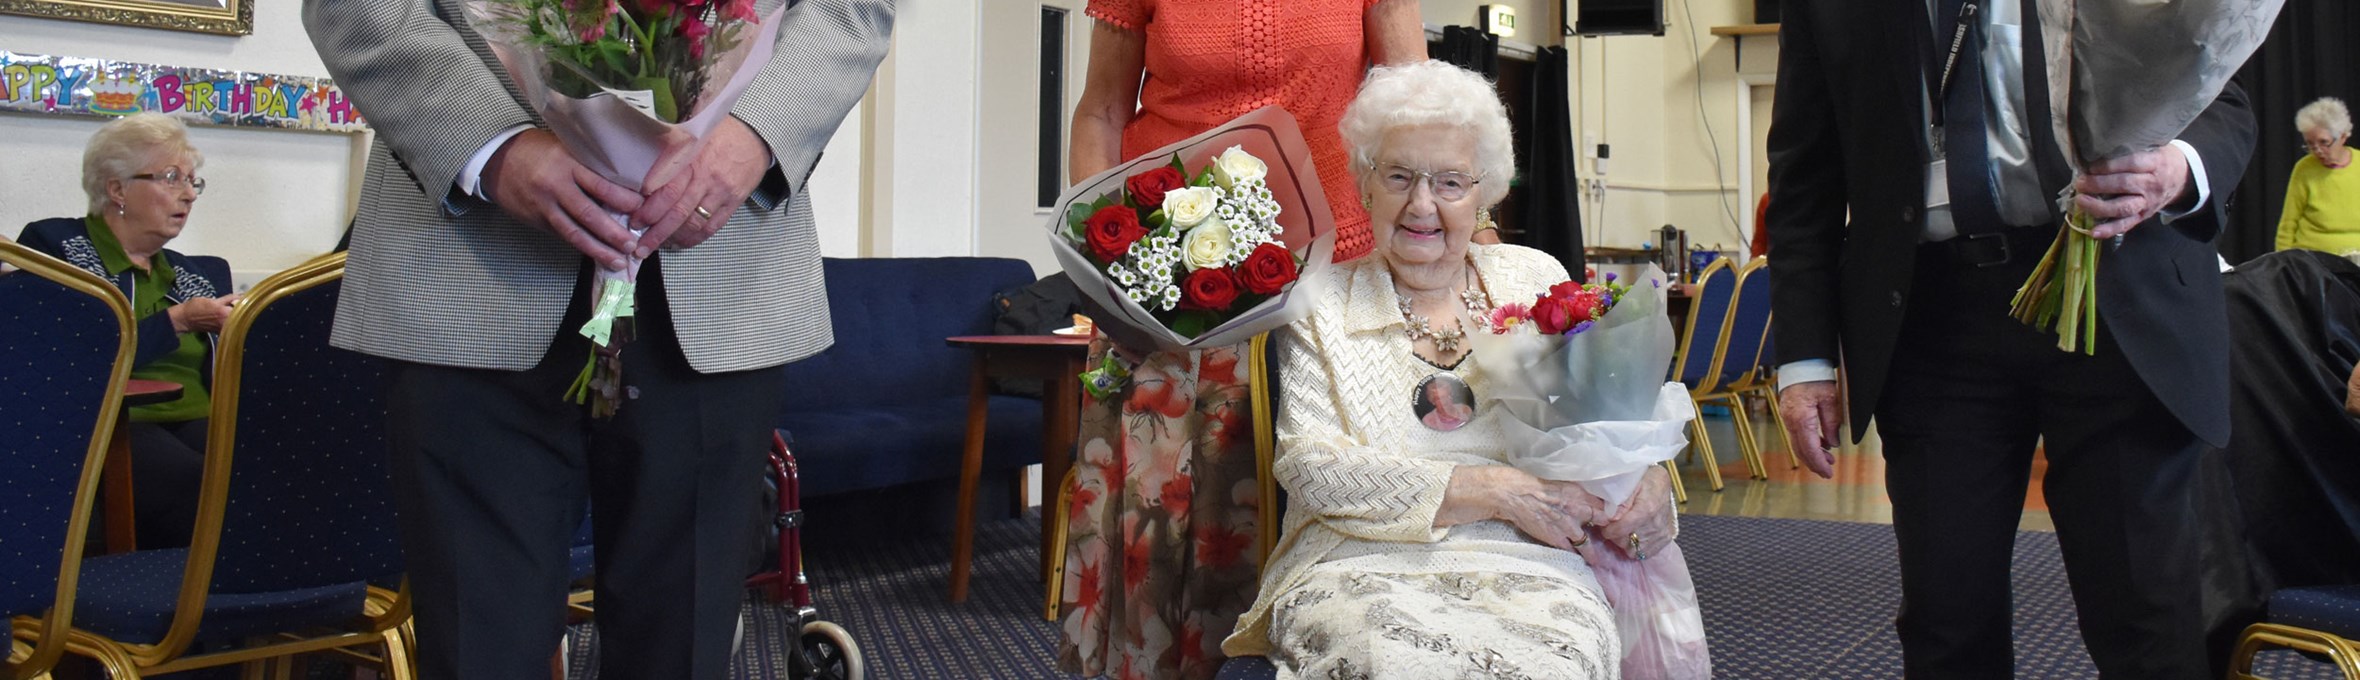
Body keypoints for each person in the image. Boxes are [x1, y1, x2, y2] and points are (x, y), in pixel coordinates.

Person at [300, 2, 892, 678]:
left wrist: (756, 136)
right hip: (463, 267)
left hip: (717, 271)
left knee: (682, 649)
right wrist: (489, 147)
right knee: (477, 649)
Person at [1765, 0, 2257, 676]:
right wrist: (1805, 358)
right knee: (1946, 620)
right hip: (1933, 322)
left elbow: (2221, 97)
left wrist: (2178, 171)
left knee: (2145, 616)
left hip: (2118, 300)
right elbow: (1803, 178)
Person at [1219, 60, 1680, 678]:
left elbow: (1610, 426)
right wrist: (1495, 491)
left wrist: (1647, 480)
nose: (1421, 205)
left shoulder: (1536, 278)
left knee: (1559, 660)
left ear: (1485, 192)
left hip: (1532, 562)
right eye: (1400, 176)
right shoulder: (1317, 302)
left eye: (1450, 183)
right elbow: (1311, 468)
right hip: (1358, 564)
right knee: (1390, 662)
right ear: (1365, 185)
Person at [1056, 2, 1424, 678]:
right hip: (1168, 292)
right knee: (1157, 530)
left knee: (1301, 512)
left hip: (1325, 285)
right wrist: (1103, 251)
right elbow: (1100, 112)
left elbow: (1417, 111)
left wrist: (1466, 232)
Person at [18, 113, 237, 550]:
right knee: (202, 486)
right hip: (110, 425)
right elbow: (69, 359)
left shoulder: (193, 274)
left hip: (200, 418)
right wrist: (177, 322)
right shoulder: (56, 250)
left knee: (269, 472)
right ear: (117, 188)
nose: (189, 194)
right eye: (172, 178)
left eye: (194, 181)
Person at [2275, 97, 2360, 255]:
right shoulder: (2304, 168)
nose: (2317, 150)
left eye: (2323, 142)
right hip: (2313, 263)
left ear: (2343, 136)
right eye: (2310, 144)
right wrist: (2283, 262)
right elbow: (2288, 224)